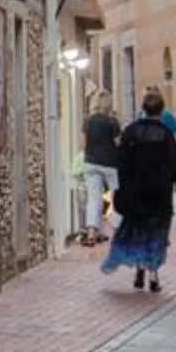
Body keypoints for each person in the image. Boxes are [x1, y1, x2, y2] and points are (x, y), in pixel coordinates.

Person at [101, 89, 176, 293]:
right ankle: (153, 275)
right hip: (159, 192)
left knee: (138, 230)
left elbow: (121, 162)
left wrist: (119, 189)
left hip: (135, 191)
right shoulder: (165, 135)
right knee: (157, 233)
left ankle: (139, 269)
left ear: (143, 108)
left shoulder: (131, 132)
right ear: (161, 110)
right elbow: (175, 163)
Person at [79, 94, 123, 243]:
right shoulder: (112, 122)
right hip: (110, 164)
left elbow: (83, 144)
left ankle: (91, 232)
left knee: (93, 199)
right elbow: (118, 143)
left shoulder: (88, 121)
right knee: (115, 197)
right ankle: (118, 229)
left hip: (91, 162)